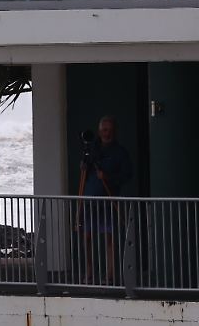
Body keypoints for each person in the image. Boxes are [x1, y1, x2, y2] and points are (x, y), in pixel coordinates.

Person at [79, 115, 133, 284]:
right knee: (87, 236)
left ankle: (109, 275)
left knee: (109, 238)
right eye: (103, 130)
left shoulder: (120, 152)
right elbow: (84, 171)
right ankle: (89, 271)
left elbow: (126, 175)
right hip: (90, 199)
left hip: (108, 199)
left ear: (114, 131)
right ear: (99, 131)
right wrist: (84, 166)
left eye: (108, 130)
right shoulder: (92, 150)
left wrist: (107, 177)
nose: (105, 133)